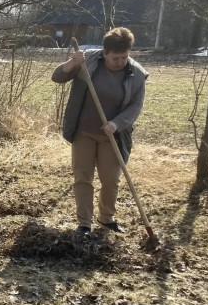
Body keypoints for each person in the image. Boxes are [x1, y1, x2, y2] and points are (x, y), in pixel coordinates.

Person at [51, 27, 148, 236]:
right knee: (83, 177)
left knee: (111, 179)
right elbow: (57, 77)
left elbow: (136, 106)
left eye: (124, 57)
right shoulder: (88, 61)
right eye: (115, 58)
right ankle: (84, 223)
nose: (120, 62)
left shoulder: (136, 74)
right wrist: (71, 63)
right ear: (105, 53)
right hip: (83, 132)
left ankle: (106, 218)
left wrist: (116, 123)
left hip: (112, 135)